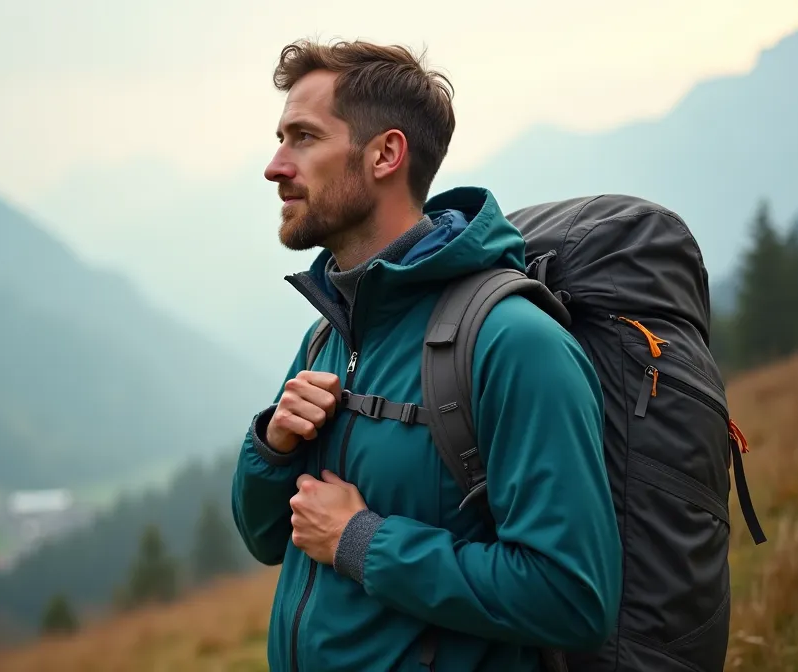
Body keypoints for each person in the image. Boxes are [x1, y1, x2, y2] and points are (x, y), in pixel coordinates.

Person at [230, 38, 623, 671]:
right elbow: (268, 538)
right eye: (280, 138)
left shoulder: (515, 343)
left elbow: (573, 598)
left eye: (303, 137)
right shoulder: (332, 332)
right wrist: (273, 449)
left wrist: (363, 542)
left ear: (386, 153)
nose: (276, 166)